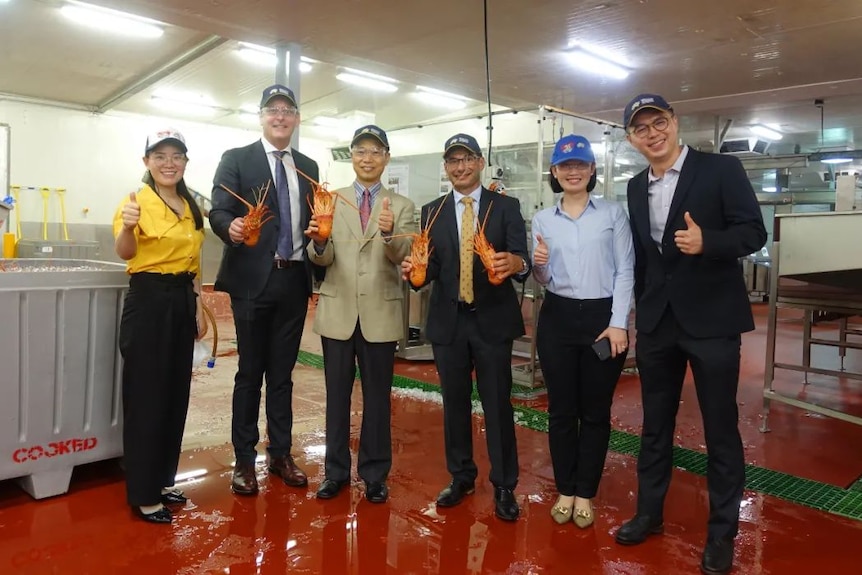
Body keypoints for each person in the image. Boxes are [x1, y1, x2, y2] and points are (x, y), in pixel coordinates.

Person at [613, 94, 766, 574]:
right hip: (659, 324)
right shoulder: (636, 188)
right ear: (631, 140)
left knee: (720, 427)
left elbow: (753, 233)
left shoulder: (721, 170)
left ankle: (722, 534)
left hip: (712, 323)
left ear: (674, 123)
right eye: (641, 128)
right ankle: (650, 514)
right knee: (655, 425)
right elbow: (642, 259)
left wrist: (709, 243)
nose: (653, 133)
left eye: (659, 122)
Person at [401, 133, 531, 521]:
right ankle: (461, 476)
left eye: (466, 159)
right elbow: (432, 270)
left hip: (492, 321)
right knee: (454, 404)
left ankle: (505, 484)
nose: (459, 167)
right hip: (449, 322)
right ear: (447, 167)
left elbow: (521, 257)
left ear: (479, 162)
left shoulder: (505, 206)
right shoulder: (432, 212)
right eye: (452, 161)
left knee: (497, 404)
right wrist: (416, 274)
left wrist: (516, 264)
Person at [209, 84, 320, 496]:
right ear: (261, 116)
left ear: (296, 118)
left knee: (283, 374)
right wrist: (231, 228)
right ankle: (243, 460)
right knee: (249, 372)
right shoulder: (237, 159)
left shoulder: (308, 166)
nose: (280, 116)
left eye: (287, 110)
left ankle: (281, 454)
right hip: (253, 280)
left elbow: (313, 223)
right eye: (272, 109)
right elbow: (218, 210)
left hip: (293, 278)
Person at [305, 125, 415, 503]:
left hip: (380, 315)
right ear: (351, 156)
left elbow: (405, 256)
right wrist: (318, 242)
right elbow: (322, 259)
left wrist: (389, 235)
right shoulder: (329, 201)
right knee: (336, 397)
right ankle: (335, 473)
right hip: (337, 311)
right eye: (360, 151)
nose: (367, 158)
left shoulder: (402, 206)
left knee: (378, 399)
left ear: (386, 157)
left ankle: (374, 474)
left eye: (375, 151)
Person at [531, 134, 634, 529]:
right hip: (556, 318)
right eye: (564, 166)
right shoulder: (542, 219)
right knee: (560, 411)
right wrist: (539, 264)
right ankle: (565, 490)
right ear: (554, 173)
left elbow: (626, 270)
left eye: (580, 165)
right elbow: (543, 279)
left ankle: (586, 492)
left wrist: (618, 323)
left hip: (601, 320)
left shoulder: (612, 214)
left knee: (595, 411)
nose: (572, 172)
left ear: (592, 170)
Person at [113, 128, 207, 523]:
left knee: (174, 394)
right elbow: (125, 253)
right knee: (147, 396)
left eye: (177, 156)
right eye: (161, 156)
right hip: (149, 300)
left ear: (185, 162)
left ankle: (164, 478)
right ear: (147, 162)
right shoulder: (136, 202)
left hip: (182, 298)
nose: (169, 163)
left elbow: (195, 261)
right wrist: (128, 227)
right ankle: (143, 492)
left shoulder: (190, 204)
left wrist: (199, 304)